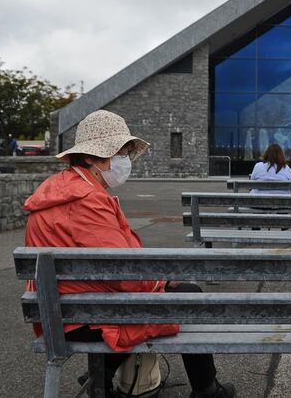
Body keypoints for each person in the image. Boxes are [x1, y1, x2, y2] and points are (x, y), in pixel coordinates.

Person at [23, 110, 235, 398]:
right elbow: (123, 274)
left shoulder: (58, 189)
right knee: (190, 297)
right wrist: (160, 282)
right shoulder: (87, 202)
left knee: (172, 292)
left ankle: (103, 373)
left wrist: (157, 280)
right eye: (120, 153)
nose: (125, 161)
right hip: (83, 315)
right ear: (92, 158)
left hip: (65, 307)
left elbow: (110, 267)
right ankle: (207, 390)